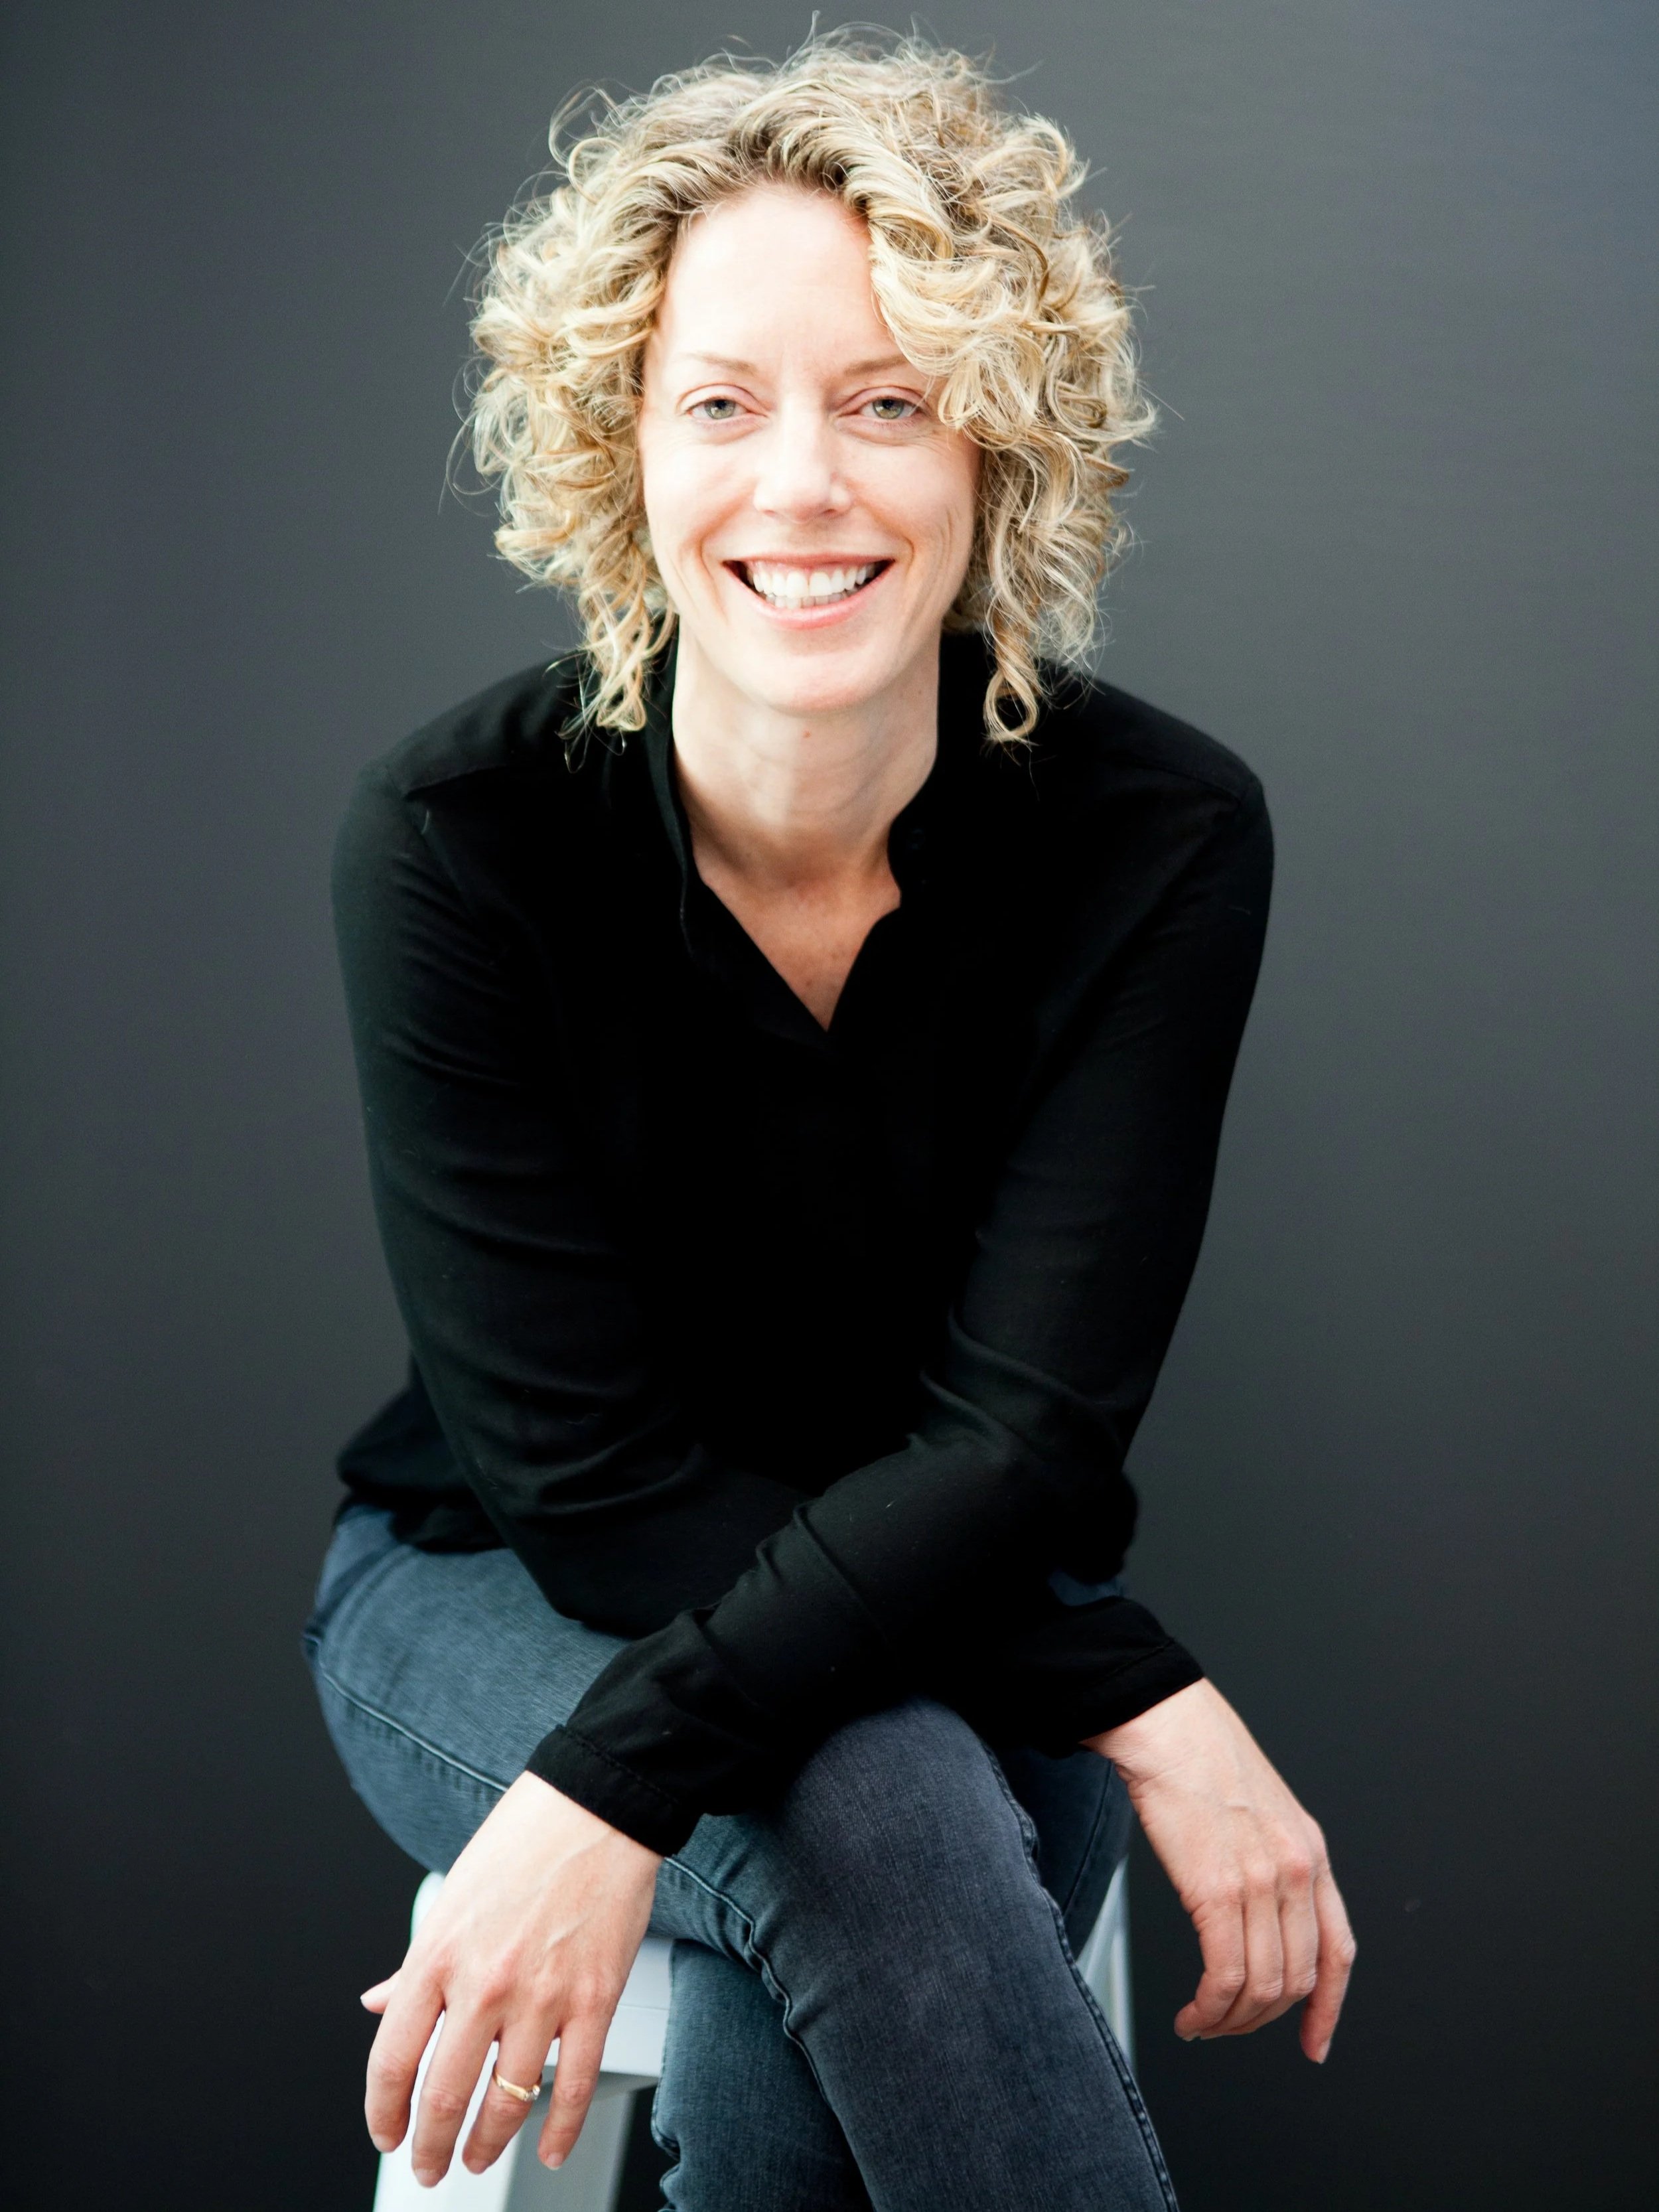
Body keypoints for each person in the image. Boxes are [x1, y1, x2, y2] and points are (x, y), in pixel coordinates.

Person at [305, 35, 1354, 2210]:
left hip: (962, 1622)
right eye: (721, 403)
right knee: (865, 1791)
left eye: (886, 400)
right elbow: (583, 1494)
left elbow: (1019, 1447)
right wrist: (1144, 1696)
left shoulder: (1155, 838)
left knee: (863, 1804)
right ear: (623, 454)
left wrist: (605, 1799)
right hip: (495, 1587)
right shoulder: (458, 839)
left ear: (1001, 445)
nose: (802, 483)